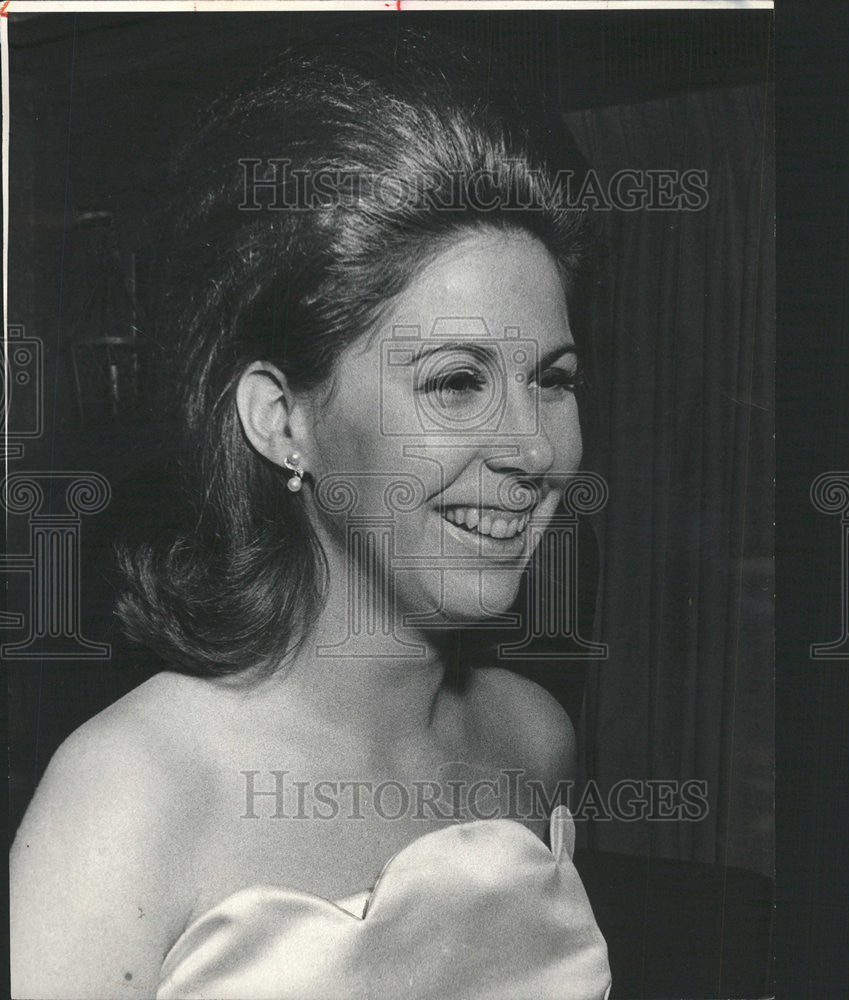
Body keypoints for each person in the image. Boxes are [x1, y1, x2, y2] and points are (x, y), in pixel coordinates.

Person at [10, 25, 611, 999]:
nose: (534, 448)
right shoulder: (130, 798)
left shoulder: (531, 740)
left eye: (552, 378)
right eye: (455, 381)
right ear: (281, 421)